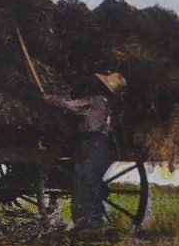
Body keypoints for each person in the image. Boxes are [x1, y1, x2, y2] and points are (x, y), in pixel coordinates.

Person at [45, 71, 126, 231]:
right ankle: (91, 223)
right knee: (91, 184)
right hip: (99, 145)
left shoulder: (95, 100)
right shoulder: (106, 103)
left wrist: (49, 99)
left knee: (84, 184)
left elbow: (70, 105)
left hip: (92, 144)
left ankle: (86, 226)